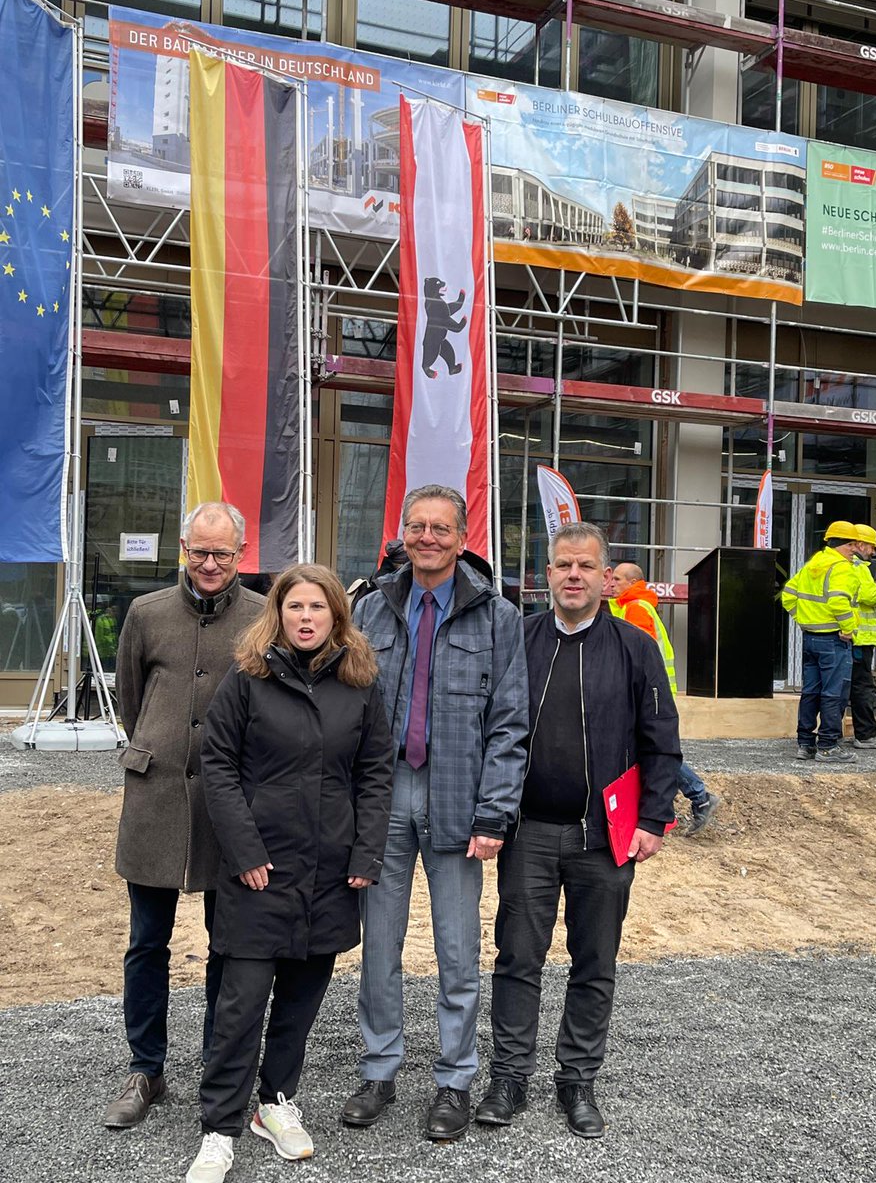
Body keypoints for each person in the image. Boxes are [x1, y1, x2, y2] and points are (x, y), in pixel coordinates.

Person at [184, 564, 393, 1183]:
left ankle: (275, 1104)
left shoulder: (360, 683)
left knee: (301, 1001)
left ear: (337, 617)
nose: (306, 618)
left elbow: (376, 771)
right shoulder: (248, 679)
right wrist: (244, 850)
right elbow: (216, 764)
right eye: (295, 607)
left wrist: (366, 853)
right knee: (240, 1005)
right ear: (277, 614)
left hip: (328, 873)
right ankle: (219, 1126)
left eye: (318, 608)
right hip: (258, 872)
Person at [475, 522, 680, 1137]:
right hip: (529, 831)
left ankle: (577, 1081)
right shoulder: (519, 638)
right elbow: (491, 727)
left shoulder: (634, 647)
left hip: (605, 835)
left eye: (586, 567)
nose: (573, 576)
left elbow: (661, 741)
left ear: (605, 578)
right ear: (546, 574)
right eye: (563, 565)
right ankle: (509, 1077)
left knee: (595, 960)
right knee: (517, 958)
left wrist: (653, 818)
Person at [341, 483, 528, 1142]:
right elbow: (345, 712)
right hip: (383, 799)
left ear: (462, 535)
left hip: (457, 800)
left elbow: (509, 725)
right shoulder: (368, 609)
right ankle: (379, 1069)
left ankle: (454, 1081)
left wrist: (494, 813)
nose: (427, 538)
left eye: (440, 528)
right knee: (379, 950)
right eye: (416, 526)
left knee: (457, 952)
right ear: (402, 532)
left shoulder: (498, 618)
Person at [104, 502, 265, 1129]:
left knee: (228, 942)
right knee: (148, 941)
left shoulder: (261, 618)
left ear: (240, 553)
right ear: (182, 549)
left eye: (222, 553)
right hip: (155, 800)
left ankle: (216, 1063)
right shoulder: (146, 615)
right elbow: (132, 700)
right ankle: (146, 1066)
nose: (209, 564)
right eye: (199, 551)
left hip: (229, 807)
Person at [608, 562, 720, 836]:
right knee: (647, 749)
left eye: (619, 579)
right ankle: (686, 801)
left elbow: (635, 655)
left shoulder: (635, 608)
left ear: (633, 582)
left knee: (652, 750)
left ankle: (694, 798)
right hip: (653, 692)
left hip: (647, 694)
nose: (612, 583)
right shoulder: (634, 606)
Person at [781, 520, 859, 764]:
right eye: (853, 544)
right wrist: (848, 629)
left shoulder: (814, 564)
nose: (855, 549)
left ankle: (805, 744)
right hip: (834, 640)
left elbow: (788, 596)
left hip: (810, 637)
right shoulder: (842, 568)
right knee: (833, 694)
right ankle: (828, 746)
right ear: (845, 545)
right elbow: (838, 602)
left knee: (811, 691)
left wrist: (804, 619)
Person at [849, 524, 876, 750]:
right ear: (860, 544)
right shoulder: (859, 567)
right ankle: (865, 735)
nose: (873, 553)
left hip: (849, 636)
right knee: (862, 686)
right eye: (871, 547)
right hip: (859, 638)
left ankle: (830, 734)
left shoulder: (843, 565)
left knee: (842, 685)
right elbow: (869, 595)